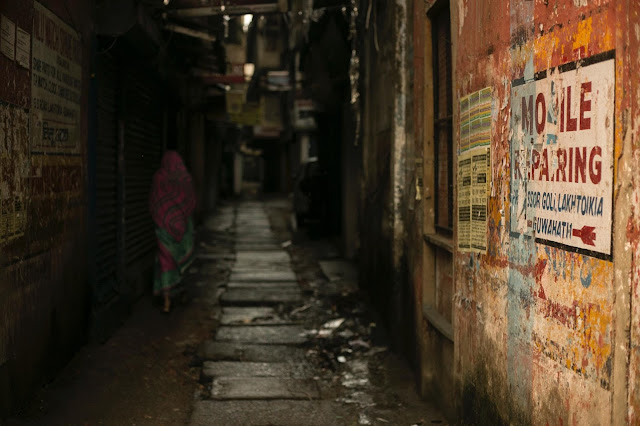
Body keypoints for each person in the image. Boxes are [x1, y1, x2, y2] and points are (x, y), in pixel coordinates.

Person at [149, 150, 196, 313]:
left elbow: (154, 202)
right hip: (182, 228)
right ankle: (180, 291)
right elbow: (191, 203)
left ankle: (167, 299)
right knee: (180, 259)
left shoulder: (159, 178)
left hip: (163, 227)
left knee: (166, 261)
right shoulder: (185, 179)